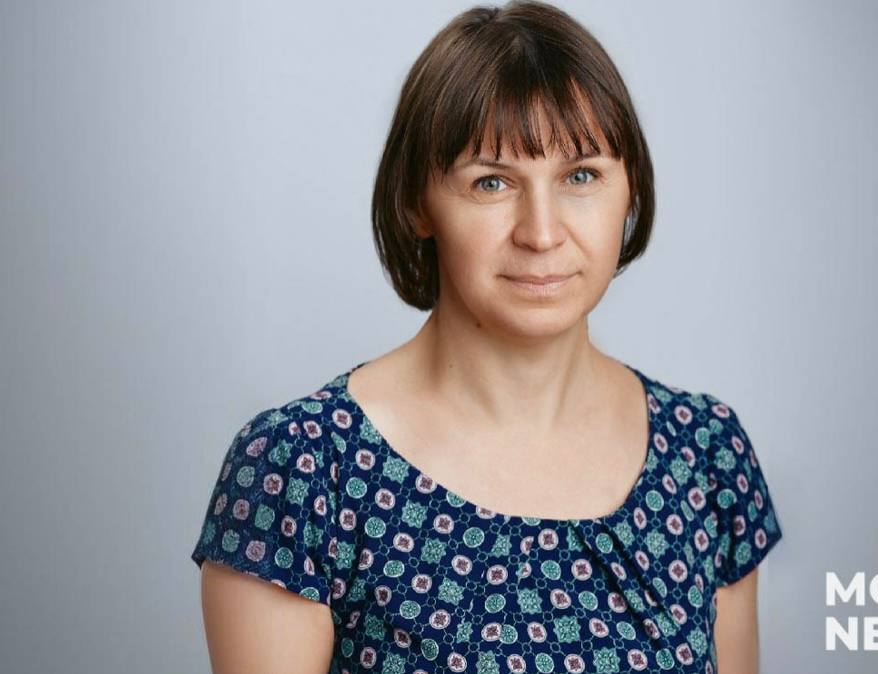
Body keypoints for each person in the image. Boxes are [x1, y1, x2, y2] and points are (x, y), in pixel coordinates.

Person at [190, 1, 784, 672]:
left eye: (581, 176)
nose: (542, 232)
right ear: (416, 201)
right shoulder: (300, 470)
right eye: (492, 182)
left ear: (631, 192)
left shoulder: (706, 455)